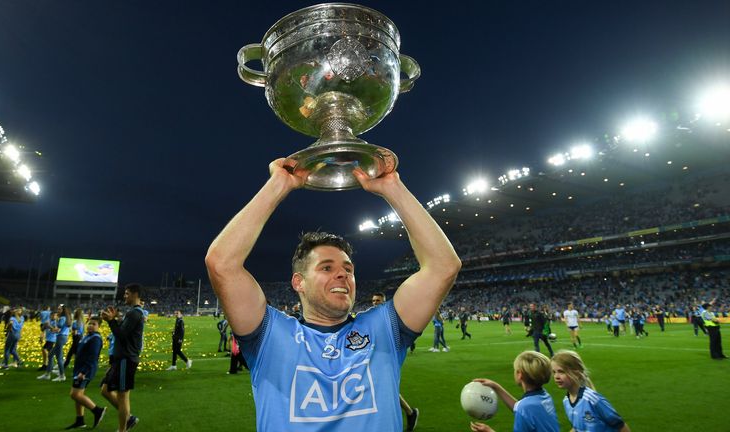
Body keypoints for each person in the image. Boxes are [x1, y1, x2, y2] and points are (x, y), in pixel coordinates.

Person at [204, 159, 461, 431]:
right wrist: (279, 184)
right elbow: (221, 264)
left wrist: (392, 188)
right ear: (298, 282)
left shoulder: (384, 328)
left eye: (348, 269)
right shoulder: (269, 335)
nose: (343, 275)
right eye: (327, 267)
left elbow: (443, 266)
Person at [470, 351, 560, 432]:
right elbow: (520, 408)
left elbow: (522, 409)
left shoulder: (525, 407)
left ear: (519, 374)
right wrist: (495, 386)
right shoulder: (544, 397)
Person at [100, 284, 146, 432]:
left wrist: (111, 321)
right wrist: (114, 320)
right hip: (121, 359)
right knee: (105, 390)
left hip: (126, 359)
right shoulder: (132, 312)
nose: (124, 296)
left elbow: (121, 335)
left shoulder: (135, 313)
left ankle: (123, 429)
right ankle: (129, 418)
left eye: (127, 294)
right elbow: (123, 332)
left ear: (135, 294)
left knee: (122, 396)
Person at [372, 292, 420, 431]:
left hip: (393, 354)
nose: (375, 303)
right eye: (374, 301)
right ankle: (410, 413)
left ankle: (408, 414)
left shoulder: (390, 316)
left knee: (385, 386)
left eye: (378, 301)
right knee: (384, 386)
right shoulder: (374, 317)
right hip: (381, 355)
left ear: (384, 302)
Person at [551, 350, 631, 431]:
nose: (556, 376)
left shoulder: (592, 399)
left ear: (576, 373)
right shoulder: (566, 401)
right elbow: (577, 428)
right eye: (554, 372)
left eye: (561, 372)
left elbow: (620, 425)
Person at [64, 316, 107, 430]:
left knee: (75, 394)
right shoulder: (87, 336)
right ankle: (80, 420)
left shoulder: (96, 339)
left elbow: (92, 357)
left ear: (99, 327)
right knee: (79, 396)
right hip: (79, 369)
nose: (91, 326)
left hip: (85, 370)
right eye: (89, 323)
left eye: (94, 324)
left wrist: (83, 372)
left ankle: (97, 410)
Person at [37, 311, 59, 379]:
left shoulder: (57, 322)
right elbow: (42, 329)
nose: (53, 317)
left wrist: (49, 326)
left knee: (45, 350)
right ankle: (47, 365)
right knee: (49, 353)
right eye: (52, 315)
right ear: (50, 316)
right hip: (48, 339)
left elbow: (55, 330)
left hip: (53, 340)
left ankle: (47, 365)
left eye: (55, 315)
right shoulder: (48, 321)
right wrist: (41, 336)